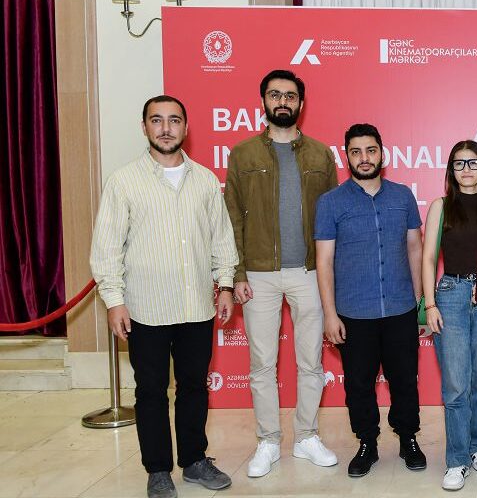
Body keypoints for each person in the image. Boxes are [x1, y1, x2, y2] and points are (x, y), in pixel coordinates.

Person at [90, 95, 238, 498]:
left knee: (194, 387)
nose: (166, 128)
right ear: (145, 128)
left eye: (174, 120)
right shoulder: (123, 181)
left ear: (186, 127)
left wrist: (225, 284)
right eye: (157, 120)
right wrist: (114, 300)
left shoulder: (205, 180)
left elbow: (221, 239)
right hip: (145, 309)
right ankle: (157, 470)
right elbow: (107, 249)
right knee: (151, 391)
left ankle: (194, 460)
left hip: (196, 308)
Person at [224, 69, 339, 478]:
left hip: (309, 272)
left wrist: (331, 275)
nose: (283, 102)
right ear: (264, 102)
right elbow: (232, 217)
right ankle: (268, 441)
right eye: (275, 95)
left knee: (310, 361)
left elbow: (332, 219)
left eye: (290, 96)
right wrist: (236, 273)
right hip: (258, 274)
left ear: (301, 104)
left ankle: (306, 436)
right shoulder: (242, 154)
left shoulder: (321, 155)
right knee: (262, 364)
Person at [314, 123, 426, 477]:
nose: (364, 158)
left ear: (382, 154)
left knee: (404, 380)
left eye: (371, 150)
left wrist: (420, 304)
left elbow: (415, 248)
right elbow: (324, 261)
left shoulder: (403, 197)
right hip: (353, 313)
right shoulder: (330, 203)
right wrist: (330, 314)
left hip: (400, 309)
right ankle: (367, 443)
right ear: (346, 156)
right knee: (358, 384)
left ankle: (408, 438)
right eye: (356, 152)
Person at [421, 140, 477, 491]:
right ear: (451, 170)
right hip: (451, 296)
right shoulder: (440, 207)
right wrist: (430, 304)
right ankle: (457, 460)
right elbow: (428, 258)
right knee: (456, 385)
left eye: (473, 163)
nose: (466, 169)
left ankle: (476, 447)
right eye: (459, 163)